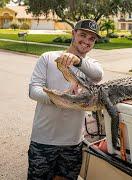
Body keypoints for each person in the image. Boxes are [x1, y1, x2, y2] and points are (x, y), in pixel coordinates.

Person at [28, 19, 104, 180]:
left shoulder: (90, 65)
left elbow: (98, 75)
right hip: (43, 140)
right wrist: (59, 99)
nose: (86, 42)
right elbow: (33, 90)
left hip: (73, 142)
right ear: (73, 33)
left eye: (92, 39)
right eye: (83, 35)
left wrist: (78, 61)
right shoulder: (48, 58)